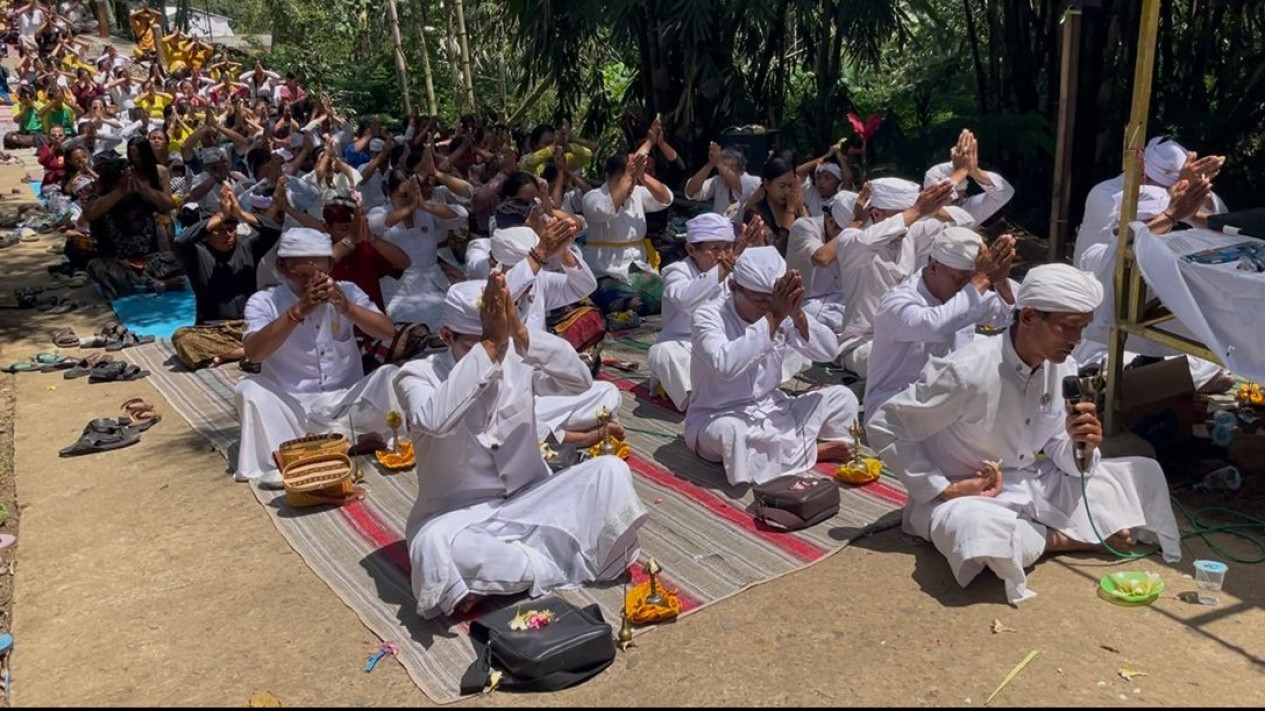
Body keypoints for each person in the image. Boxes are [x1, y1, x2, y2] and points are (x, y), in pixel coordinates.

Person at [866, 263, 1182, 605]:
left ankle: (1042, 534)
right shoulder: (965, 371)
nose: (1076, 341)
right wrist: (943, 487)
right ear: (1029, 316)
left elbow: (1062, 454)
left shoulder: (1063, 367)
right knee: (978, 532)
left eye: (1082, 329)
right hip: (968, 498)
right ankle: (1067, 539)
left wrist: (1083, 446)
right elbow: (885, 425)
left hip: (1031, 483)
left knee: (1143, 472)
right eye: (1069, 328)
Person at [394, 276, 649, 619]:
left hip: (532, 499)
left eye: (500, 341)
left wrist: (522, 334)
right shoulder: (417, 375)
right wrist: (487, 348)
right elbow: (436, 421)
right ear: (446, 336)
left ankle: (502, 577)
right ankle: (549, 561)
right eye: (477, 343)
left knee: (610, 471)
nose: (498, 351)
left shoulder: (517, 355)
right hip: (460, 519)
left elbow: (579, 381)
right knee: (433, 549)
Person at [233, 227, 400, 487]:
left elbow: (387, 331)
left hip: (346, 404)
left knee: (390, 376)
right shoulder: (264, 301)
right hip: (294, 412)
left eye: (320, 273)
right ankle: (302, 453)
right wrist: (298, 311)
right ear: (282, 267)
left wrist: (347, 308)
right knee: (248, 389)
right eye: (302, 275)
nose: (312, 282)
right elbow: (254, 352)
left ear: (331, 266)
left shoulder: (347, 292)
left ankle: (330, 445)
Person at [685, 246, 858, 485]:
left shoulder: (781, 311)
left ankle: (789, 452)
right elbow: (726, 366)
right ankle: (812, 451)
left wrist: (797, 315)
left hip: (774, 410)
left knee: (843, 397)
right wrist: (774, 317)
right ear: (734, 287)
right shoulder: (708, 316)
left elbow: (829, 351)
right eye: (760, 300)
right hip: (717, 416)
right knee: (733, 434)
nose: (767, 307)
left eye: (773, 301)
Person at [1071, 179, 1232, 392]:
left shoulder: (1170, 253)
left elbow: (1226, 238)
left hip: (1164, 343)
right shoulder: (1096, 254)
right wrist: (1170, 215)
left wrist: (1188, 215)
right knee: (1114, 365)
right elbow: (1126, 246)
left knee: (1211, 358)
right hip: (1110, 344)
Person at [864, 228, 1017, 414]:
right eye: (961, 279)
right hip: (896, 407)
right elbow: (937, 327)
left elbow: (1009, 315)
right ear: (935, 267)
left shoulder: (965, 292)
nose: (967, 287)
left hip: (947, 404)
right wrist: (982, 279)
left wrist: (1000, 280)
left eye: (972, 279)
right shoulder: (897, 302)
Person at [835, 177, 956, 377]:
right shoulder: (851, 240)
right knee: (913, 362)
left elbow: (961, 222)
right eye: (904, 216)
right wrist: (916, 211)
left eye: (912, 217)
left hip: (909, 336)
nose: (908, 224)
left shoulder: (910, 233)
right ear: (875, 213)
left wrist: (932, 208)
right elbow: (866, 242)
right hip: (862, 343)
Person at [172, 184, 282, 370]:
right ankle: (247, 352)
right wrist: (221, 216)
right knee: (182, 338)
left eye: (231, 229)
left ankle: (228, 354)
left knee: (285, 322)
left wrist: (240, 212)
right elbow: (180, 241)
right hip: (214, 329)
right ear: (207, 235)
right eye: (220, 230)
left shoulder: (247, 247)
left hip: (249, 325)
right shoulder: (197, 255)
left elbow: (274, 230)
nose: (228, 235)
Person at [648, 212, 750, 411]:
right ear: (691, 249)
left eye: (728, 247)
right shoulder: (676, 271)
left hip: (723, 344)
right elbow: (685, 300)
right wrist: (722, 270)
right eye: (715, 249)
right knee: (662, 352)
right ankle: (701, 403)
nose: (722, 255)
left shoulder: (734, 269)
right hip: (686, 347)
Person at [1072, 136, 1227, 265]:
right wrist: (1179, 208)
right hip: (1094, 283)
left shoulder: (1168, 200)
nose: (1167, 194)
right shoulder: (1104, 194)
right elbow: (1130, 234)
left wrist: (1193, 199)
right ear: (1142, 176)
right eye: (1165, 190)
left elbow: (1219, 219)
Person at [580, 152, 673, 318]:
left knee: (670, 295)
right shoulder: (592, 197)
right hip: (604, 271)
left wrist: (641, 175)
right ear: (608, 177)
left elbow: (665, 199)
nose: (630, 186)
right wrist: (628, 178)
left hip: (636, 267)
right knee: (629, 301)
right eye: (623, 179)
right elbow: (605, 211)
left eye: (633, 181)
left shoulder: (637, 193)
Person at [786, 193, 862, 334]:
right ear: (831, 221)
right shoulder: (804, 226)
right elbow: (822, 258)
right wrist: (852, 230)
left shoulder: (856, 233)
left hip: (842, 305)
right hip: (806, 306)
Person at [921, 129, 1015, 226]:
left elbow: (1005, 192)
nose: (958, 200)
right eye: (952, 198)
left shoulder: (966, 209)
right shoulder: (921, 219)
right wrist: (961, 170)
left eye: (960, 197)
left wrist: (974, 171)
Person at [685, 143, 762, 220]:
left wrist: (719, 162)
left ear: (738, 168)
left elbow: (739, 185)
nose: (722, 172)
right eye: (720, 168)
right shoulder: (718, 181)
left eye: (725, 168)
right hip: (720, 230)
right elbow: (690, 191)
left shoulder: (754, 181)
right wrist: (710, 164)